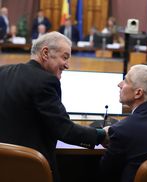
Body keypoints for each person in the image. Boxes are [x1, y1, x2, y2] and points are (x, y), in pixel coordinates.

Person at [0, 31, 107, 182]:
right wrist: (101, 135)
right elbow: (64, 130)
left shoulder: (3, 72)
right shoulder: (46, 81)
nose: (67, 65)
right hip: (32, 171)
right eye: (65, 57)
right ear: (45, 53)